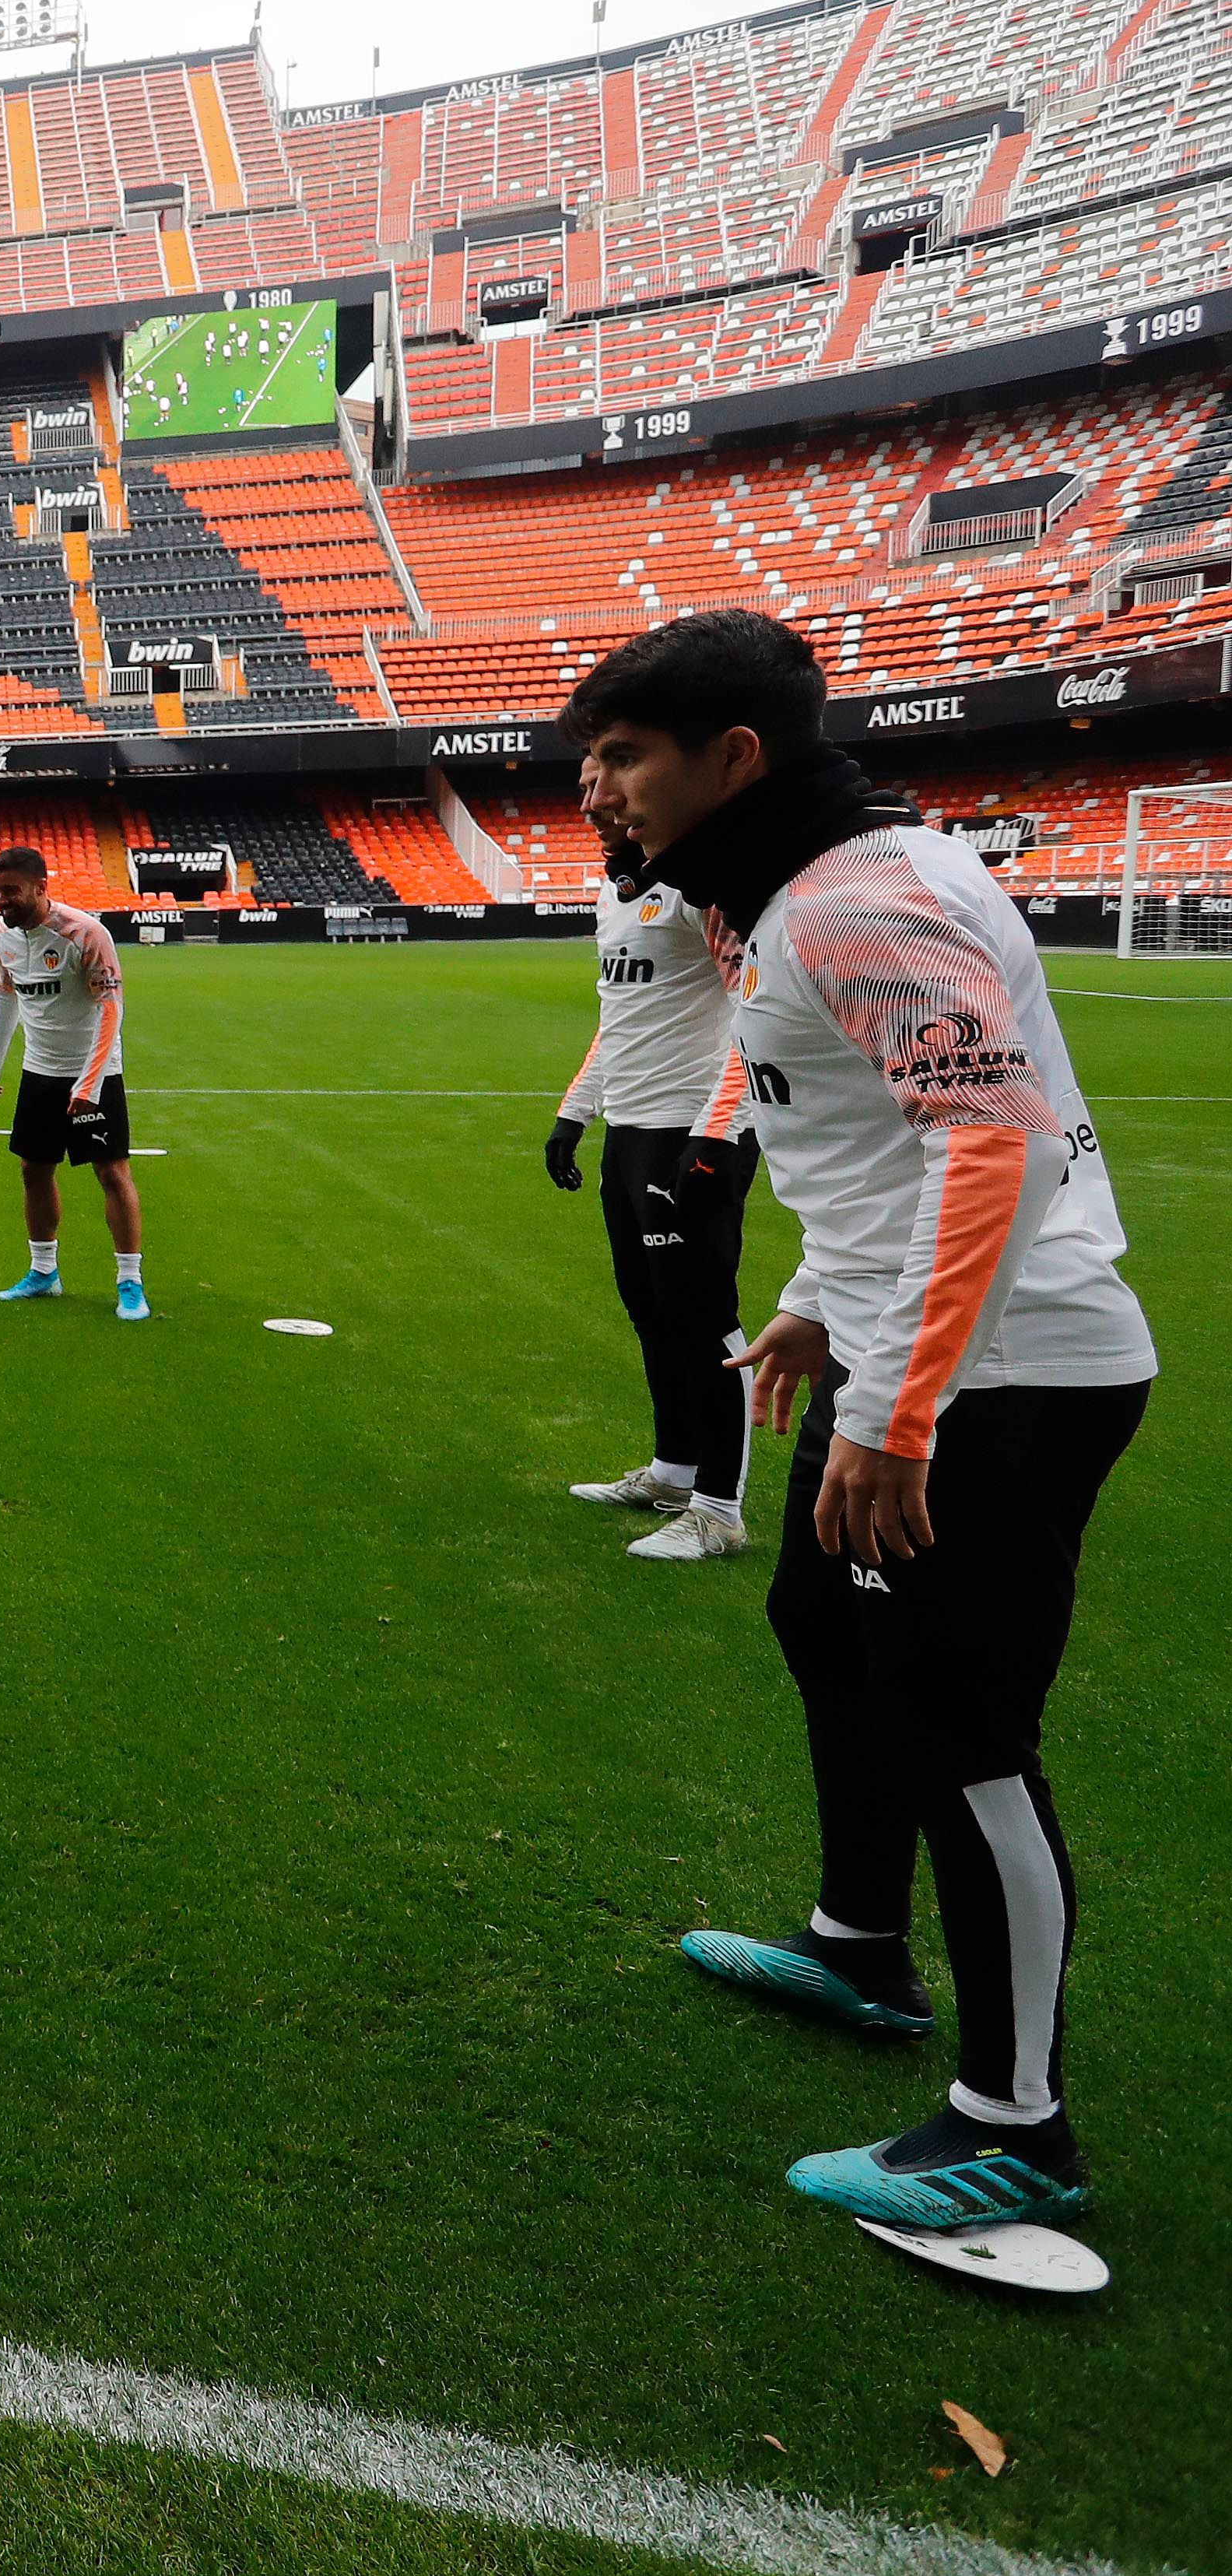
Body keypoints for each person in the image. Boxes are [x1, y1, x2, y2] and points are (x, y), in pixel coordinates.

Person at [577, 612, 1155, 2237]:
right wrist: (828, 1303)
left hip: (1001, 1374)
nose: (599, 789)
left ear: (732, 759)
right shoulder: (804, 885)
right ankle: (856, 1944)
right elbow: (876, 1143)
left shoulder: (856, 898)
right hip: (927, 1349)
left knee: (966, 1735)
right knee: (825, 1625)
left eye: (623, 756)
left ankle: (1013, 2125)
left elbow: (1000, 1150)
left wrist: (896, 1412)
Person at [546, 802, 761, 1562]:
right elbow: (620, 1017)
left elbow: (758, 1013)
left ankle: (719, 1510)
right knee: (649, 1307)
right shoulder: (613, 893)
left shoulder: (701, 893)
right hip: (630, 1132)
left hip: (694, 1129)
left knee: (703, 1317)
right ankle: (673, 1473)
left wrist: (717, 1132)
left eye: (613, 805)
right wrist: (575, 1114)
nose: (595, 812)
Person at [0, 847, 144, 1320]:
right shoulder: (1, 933)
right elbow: (7, 993)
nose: (3, 900)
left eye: (12, 891)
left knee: (111, 1172)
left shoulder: (86, 934)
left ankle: (130, 1281)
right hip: (40, 1072)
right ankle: (44, 1272)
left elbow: (111, 1009)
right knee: (34, 1169)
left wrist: (89, 1083)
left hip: (95, 1073)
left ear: (41, 887)